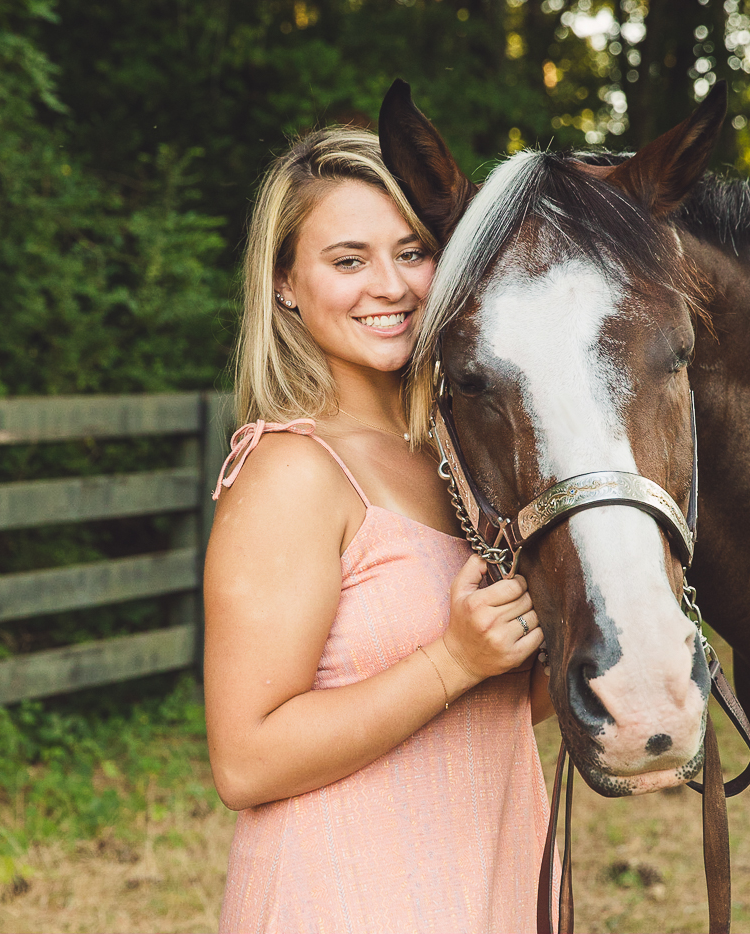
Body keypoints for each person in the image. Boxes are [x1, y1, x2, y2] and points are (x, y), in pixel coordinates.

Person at [204, 126, 555, 933]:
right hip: (349, 894)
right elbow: (245, 760)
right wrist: (452, 660)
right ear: (287, 283)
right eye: (349, 260)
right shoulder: (292, 471)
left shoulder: (460, 457)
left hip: (490, 875)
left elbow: (499, 705)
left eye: (412, 251)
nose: (390, 286)